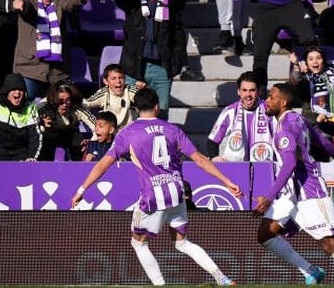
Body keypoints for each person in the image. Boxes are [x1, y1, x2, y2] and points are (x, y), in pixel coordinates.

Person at [71, 88, 241, 286]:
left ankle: (160, 285)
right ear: (157, 107)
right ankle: (221, 278)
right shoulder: (172, 129)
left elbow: (102, 164)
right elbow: (201, 160)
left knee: (138, 243)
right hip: (177, 193)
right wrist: (227, 181)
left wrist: (82, 189)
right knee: (182, 242)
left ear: (135, 108)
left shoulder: (128, 133)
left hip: (153, 196)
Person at [253, 83, 334, 285]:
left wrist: (269, 196)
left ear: (283, 102)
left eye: (271, 97)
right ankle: (311, 271)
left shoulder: (285, 127)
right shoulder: (298, 119)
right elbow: (322, 141)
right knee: (265, 234)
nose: (267, 100)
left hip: (309, 191)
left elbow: (290, 163)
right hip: (291, 194)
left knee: (329, 245)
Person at [114, 0, 187, 120]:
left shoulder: (170, 4)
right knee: (132, 115)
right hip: (135, 68)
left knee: (160, 115)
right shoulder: (134, 4)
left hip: (161, 68)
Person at [12, 0, 89, 99]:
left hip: (57, 73)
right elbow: (26, 8)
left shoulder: (58, 1)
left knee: (72, 103)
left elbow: (68, 1)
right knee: (21, 105)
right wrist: (20, 6)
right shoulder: (27, 0)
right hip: (30, 70)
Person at [207, 71, 275, 162]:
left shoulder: (270, 110)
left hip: (264, 167)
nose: (248, 95)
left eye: (252, 90)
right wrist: (214, 157)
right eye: (244, 90)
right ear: (238, 92)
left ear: (259, 91)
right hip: (237, 169)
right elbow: (212, 141)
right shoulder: (230, 111)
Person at [289, 45, 334, 125]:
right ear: (306, 62)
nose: (315, 62)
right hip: (313, 122)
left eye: (319, 58)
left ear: (323, 60)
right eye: (310, 59)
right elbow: (296, 80)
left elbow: (330, 49)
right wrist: (297, 64)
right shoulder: (305, 77)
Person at [38, 80, 96, 161]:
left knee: (79, 141)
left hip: (71, 133)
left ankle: (79, 167)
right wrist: (40, 122)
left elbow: (97, 126)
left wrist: (93, 142)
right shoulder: (44, 106)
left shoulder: (78, 108)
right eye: (60, 101)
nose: (64, 104)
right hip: (51, 134)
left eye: (68, 100)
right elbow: (31, 122)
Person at [83, 63, 139, 129]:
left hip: (129, 132)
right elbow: (85, 104)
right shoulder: (104, 93)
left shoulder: (130, 91)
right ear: (106, 81)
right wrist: (96, 123)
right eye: (113, 78)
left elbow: (147, 101)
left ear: (125, 79)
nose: (118, 81)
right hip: (111, 133)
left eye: (121, 78)